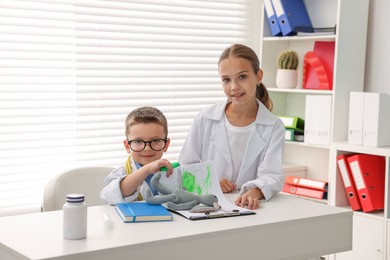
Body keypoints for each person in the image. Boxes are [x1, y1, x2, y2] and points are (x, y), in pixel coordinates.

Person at [178, 43, 285, 210]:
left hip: (250, 207)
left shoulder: (274, 126)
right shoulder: (205, 118)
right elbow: (186, 165)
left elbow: (272, 174)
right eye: (226, 80)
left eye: (242, 77)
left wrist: (255, 192)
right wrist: (211, 183)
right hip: (209, 205)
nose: (234, 87)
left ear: (258, 76)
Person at [101, 106, 174, 204]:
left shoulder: (173, 172)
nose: (147, 148)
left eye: (156, 140)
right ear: (127, 146)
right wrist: (146, 170)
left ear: (166, 144)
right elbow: (110, 195)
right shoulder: (121, 173)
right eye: (138, 141)